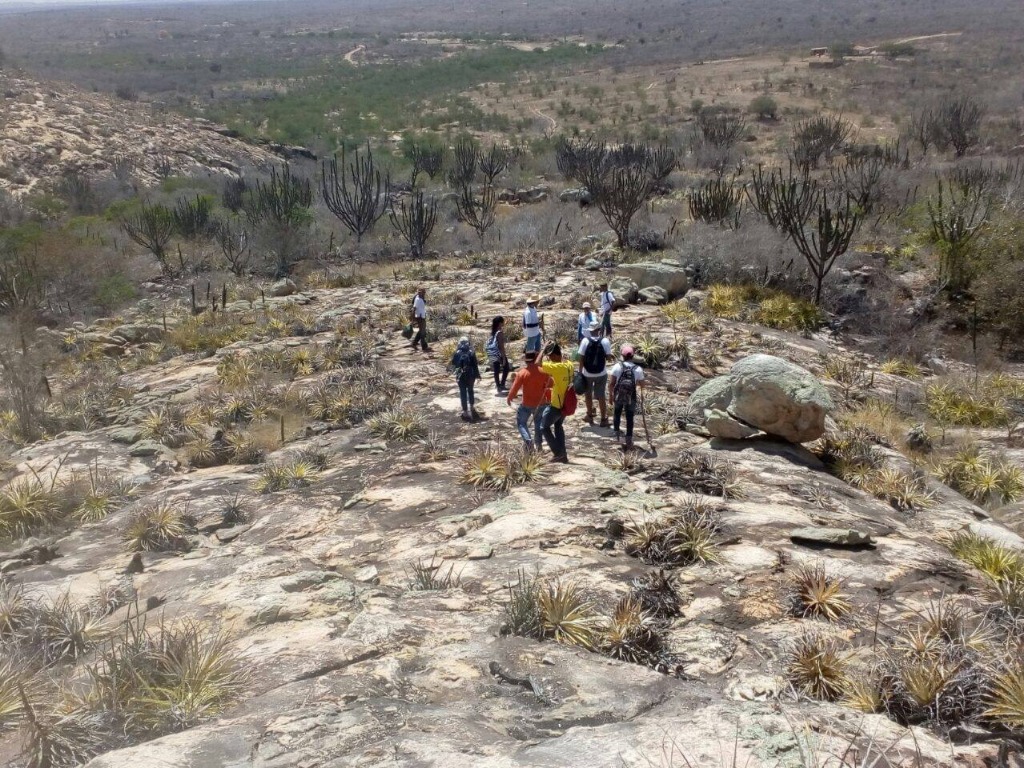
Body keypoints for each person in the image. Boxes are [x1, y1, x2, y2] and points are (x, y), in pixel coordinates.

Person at [538, 342, 575, 463]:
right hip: (566, 403)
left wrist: (543, 350)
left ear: (555, 355)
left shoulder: (558, 368)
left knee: (544, 427)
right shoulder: (569, 365)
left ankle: (558, 453)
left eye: (551, 356)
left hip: (556, 404)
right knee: (558, 426)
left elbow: (537, 364)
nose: (550, 359)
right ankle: (563, 454)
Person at [506, 349, 548, 450]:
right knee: (538, 424)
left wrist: (509, 398)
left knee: (521, 423)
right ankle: (539, 445)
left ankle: (528, 440)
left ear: (526, 361)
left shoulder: (522, 373)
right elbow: (551, 384)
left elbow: (515, 388)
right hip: (541, 403)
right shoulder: (543, 371)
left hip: (527, 404)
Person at [609, 344, 646, 449]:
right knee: (630, 417)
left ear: (622, 356)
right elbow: (642, 385)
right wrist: (642, 396)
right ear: (633, 356)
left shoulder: (617, 366)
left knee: (617, 413)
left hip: (618, 394)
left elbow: (612, 383)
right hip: (631, 395)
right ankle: (629, 438)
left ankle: (616, 434)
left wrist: (611, 396)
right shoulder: (638, 369)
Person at [577, 320, 613, 427]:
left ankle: (589, 416)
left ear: (590, 331)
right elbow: (608, 357)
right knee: (601, 396)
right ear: (599, 330)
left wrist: (580, 372)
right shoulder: (605, 341)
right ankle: (603, 419)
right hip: (601, 373)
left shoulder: (585, 341)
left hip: (587, 373)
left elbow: (581, 357)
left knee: (588, 395)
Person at [451, 336, 482, 422]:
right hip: (470, 375)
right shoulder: (471, 352)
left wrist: (457, 375)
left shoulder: (457, 353)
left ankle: (465, 411)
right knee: (470, 390)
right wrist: (478, 376)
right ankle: (471, 406)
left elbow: (453, 364)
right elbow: (475, 365)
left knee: (462, 392)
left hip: (460, 375)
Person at [486, 316, 511, 394]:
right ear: (500, 323)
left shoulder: (493, 332)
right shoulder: (499, 333)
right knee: (506, 368)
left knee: (496, 370)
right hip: (499, 354)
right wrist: (503, 357)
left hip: (493, 354)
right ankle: (502, 384)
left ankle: (498, 386)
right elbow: (501, 346)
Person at [410, 287, 430, 352]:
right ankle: (424, 346)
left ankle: (414, 343)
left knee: (421, 331)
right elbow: (414, 309)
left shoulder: (421, 298)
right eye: (423, 292)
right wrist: (413, 319)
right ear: (419, 293)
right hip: (420, 317)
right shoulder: (418, 299)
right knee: (423, 332)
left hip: (422, 316)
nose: (424, 293)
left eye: (424, 292)